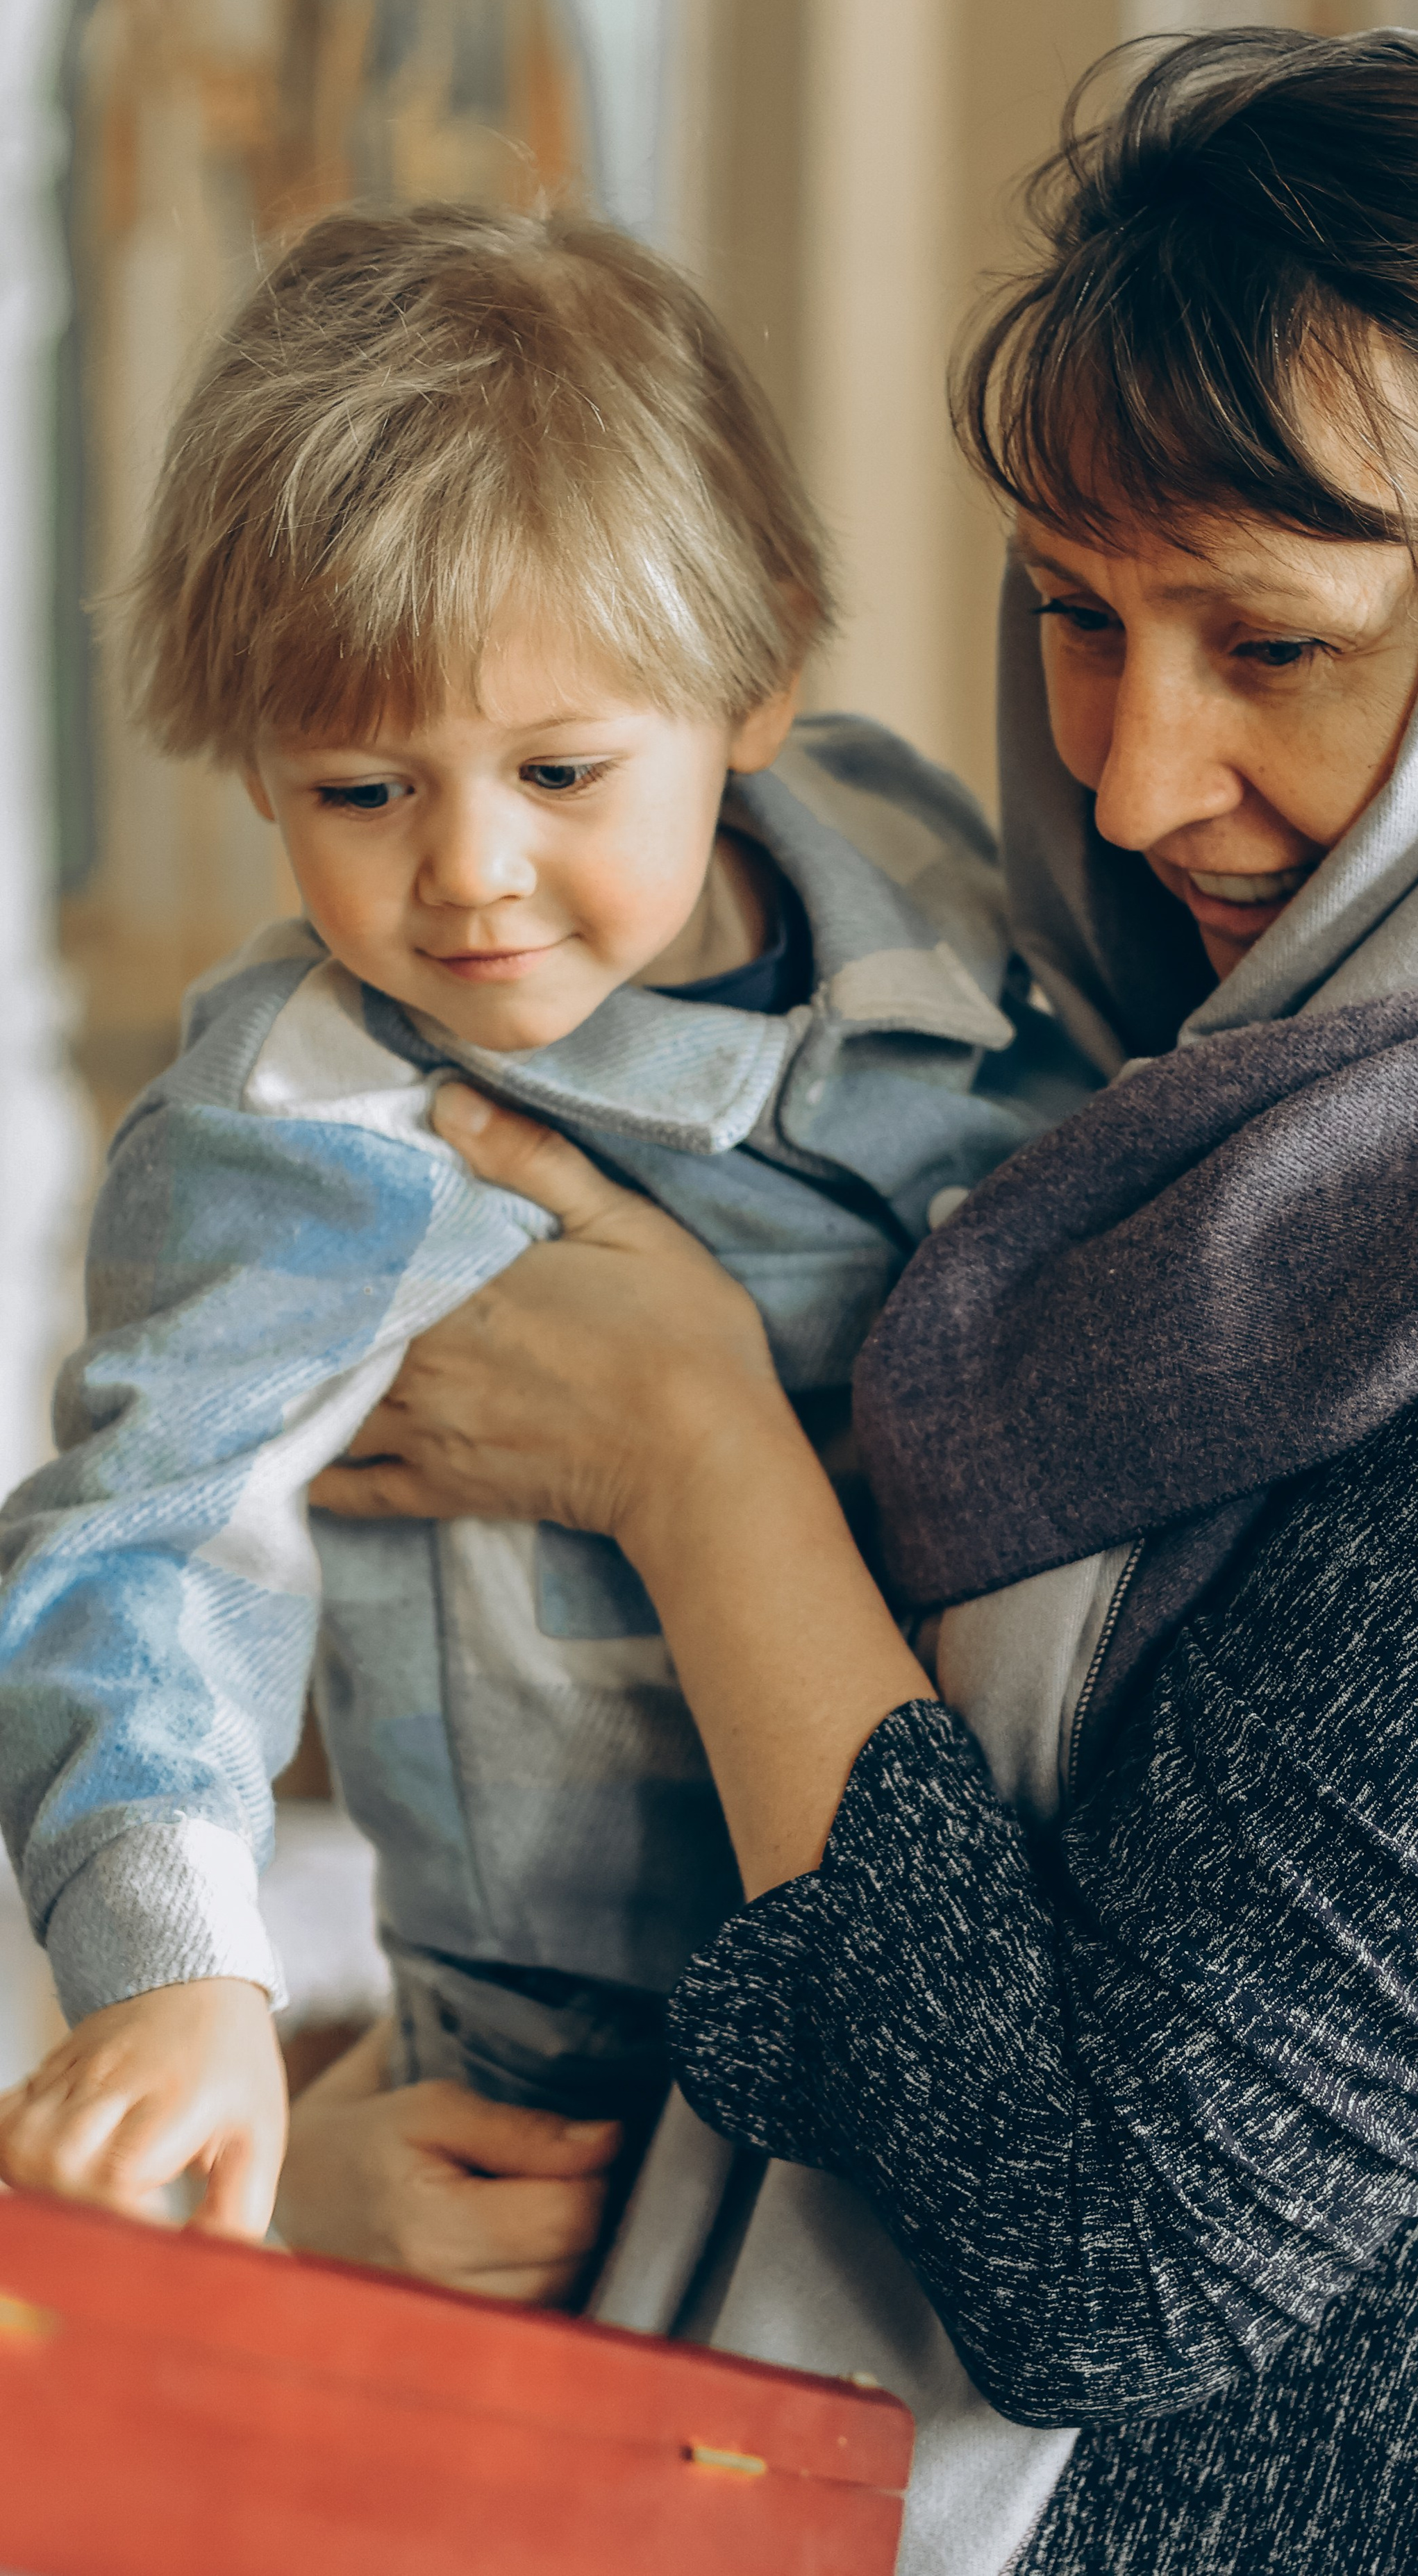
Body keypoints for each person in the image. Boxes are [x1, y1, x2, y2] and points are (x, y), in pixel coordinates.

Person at [285, 32, 1418, 2575]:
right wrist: (380, 2139)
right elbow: (830, 1877)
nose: (1126, 773)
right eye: (1079, 616)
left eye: (1274, 643)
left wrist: (696, 1464)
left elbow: (1109, 2242)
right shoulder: (1142, 1114)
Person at [0, 203, 1087, 2244]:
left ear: (754, 677)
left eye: (563, 768)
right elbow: (135, 1555)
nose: (472, 872)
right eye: (358, 792)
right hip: (573, 2054)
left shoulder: (921, 858)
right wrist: (185, 1980)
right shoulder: (309, 1122)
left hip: (1021, 1885)